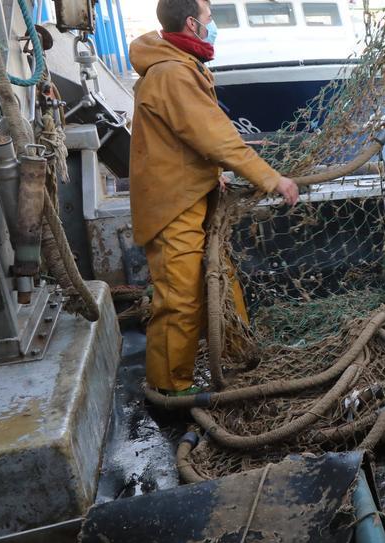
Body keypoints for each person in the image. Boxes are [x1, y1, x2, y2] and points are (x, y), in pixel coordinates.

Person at [129, 0, 300, 395]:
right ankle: (170, 390)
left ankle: (240, 361)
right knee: (181, 298)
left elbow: (182, 140)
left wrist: (213, 174)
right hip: (173, 204)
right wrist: (271, 178)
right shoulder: (172, 72)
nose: (214, 26)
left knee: (218, 280)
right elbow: (216, 136)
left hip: (193, 193)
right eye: (210, 19)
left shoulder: (180, 64)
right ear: (193, 24)